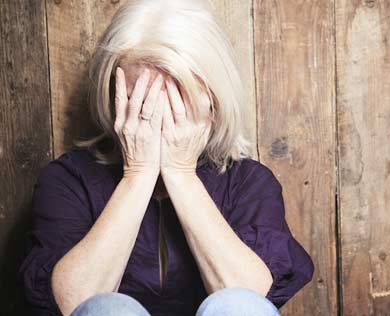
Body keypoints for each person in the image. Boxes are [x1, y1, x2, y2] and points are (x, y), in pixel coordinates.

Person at [17, 0, 314, 315]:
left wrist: (181, 174)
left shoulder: (248, 183)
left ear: (212, 102)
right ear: (113, 96)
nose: (156, 116)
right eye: (141, 98)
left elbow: (252, 302)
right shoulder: (69, 180)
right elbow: (75, 305)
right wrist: (139, 174)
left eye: (176, 101)